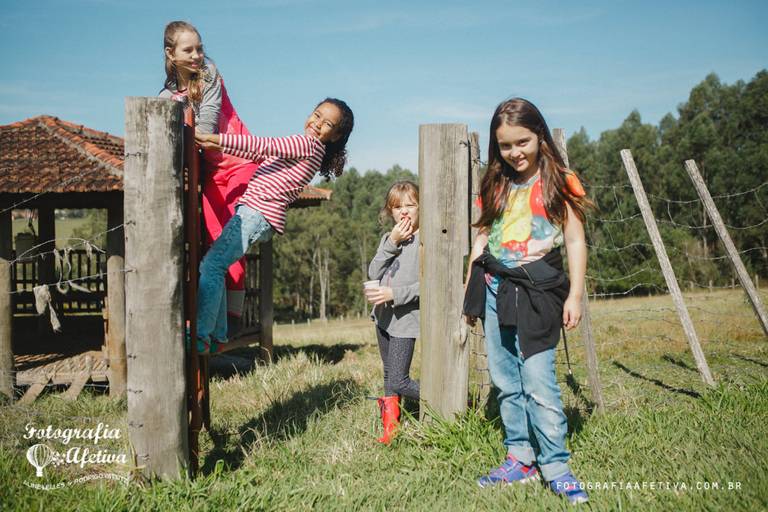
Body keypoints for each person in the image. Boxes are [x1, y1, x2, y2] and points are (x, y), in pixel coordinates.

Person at [463, 98, 592, 504]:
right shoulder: (494, 182)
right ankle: (520, 457)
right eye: (505, 145)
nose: (515, 152)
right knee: (505, 380)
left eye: (523, 142)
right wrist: (470, 292)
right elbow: (482, 238)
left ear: (540, 136)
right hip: (494, 288)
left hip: (539, 292)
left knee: (537, 378)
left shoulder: (560, 181)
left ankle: (556, 467)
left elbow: (575, 239)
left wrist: (575, 295)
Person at [194, 98, 354, 353]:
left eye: (327, 124)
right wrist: (220, 146)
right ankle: (218, 335)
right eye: (316, 115)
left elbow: (262, 145)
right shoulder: (311, 152)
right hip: (259, 216)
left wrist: (211, 139)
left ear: (335, 136)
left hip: (255, 213)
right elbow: (256, 154)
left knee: (211, 266)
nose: (317, 123)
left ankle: (201, 336)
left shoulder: (307, 144)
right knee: (218, 266)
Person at [160, 20, 260, 337]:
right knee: (213, 241)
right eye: (188, 50)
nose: (196, 56)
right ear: (171, 54)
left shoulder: (209, 75)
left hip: (239, 161)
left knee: (233, 238)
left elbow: (206, 125)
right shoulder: (166, 97)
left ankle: (232, 317)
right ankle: (215, 324)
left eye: (199, 49)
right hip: (211, 172)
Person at [365, 181, 421, 444]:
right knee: (389, 374)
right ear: (390, 211)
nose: (404, 211)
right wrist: (392, 242)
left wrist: (394, 294)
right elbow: (373, 272)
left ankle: (448, 397)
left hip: (405, 320)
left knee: (399, 380)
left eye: (410, 205)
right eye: (398, 207)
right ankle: (391, 429)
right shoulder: (389, 239)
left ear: (421, 207)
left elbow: (430, 284)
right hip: (383, 317)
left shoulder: (425, 241)